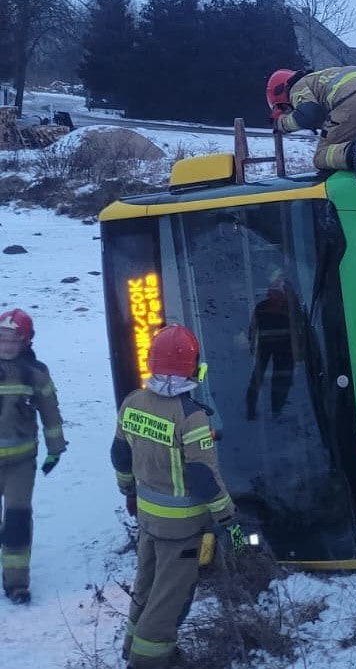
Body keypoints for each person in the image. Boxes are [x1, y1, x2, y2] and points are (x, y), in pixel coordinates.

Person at [111, 324, 244, 669]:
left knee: (146, 585)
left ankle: (131, 645)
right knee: (170, 599)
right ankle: (149, 661)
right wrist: (228, 518)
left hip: (148, 518)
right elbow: (203, 477)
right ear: (192, 365)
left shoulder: (133, 402)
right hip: (181, 530)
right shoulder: (191, 416)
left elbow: (120, 455)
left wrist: (128, 492)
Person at [0, 308, 66, 605]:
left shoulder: (36, 373)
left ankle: (16, 583)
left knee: (16, 519)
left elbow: (50, 414)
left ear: (26, 341)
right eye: (1, 338)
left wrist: (55, 450)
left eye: (12, 339)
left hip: (20, 464)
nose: (5, 345)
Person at [266, 66, 356, 185]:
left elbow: (308, 114)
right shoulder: (324, 76)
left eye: (285, 108)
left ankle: (354, 152)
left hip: (354, 99)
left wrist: (280, 123)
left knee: (322, 156)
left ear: (282, 91)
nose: (289, 110)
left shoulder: (298, 86)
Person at [246, 269, 305, 421]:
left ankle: (267, 409)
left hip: (278, 347)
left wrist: (252, 342)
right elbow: (253, 328)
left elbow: (299, 325)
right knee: (272, 378)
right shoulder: (283, 307)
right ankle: (265, 409)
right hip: (280, 347)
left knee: (272, 378)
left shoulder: (279, 307)